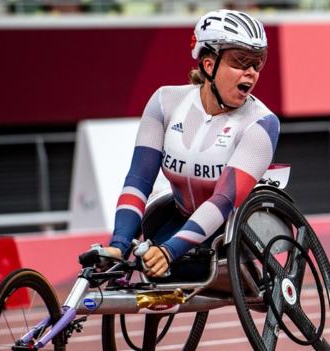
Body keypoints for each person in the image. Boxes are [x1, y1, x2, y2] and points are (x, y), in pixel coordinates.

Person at [102, 9, 280, 278]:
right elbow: (139, 179)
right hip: (176, 217)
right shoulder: (165, 101)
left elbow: (223, 200)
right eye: (241, 62)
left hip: (230, 232)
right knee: (129, 265)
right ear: (209, 65)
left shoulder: (262, 123)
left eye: (258, 63)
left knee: (167, 265)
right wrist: (119, 244)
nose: (251, 73)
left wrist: (169, 251)